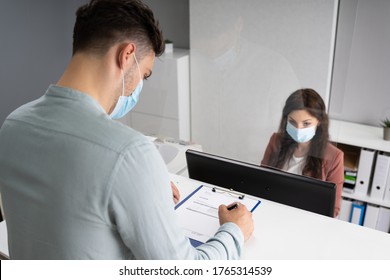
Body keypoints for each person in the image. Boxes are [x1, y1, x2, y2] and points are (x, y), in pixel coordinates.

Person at [0, 0, 253, 259]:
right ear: (127, 55)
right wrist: (234, 231)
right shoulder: (129, 153)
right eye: (144, 75)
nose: (137, 89)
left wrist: (140, 187)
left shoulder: (13, 125)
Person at [261, 88, 344, 217]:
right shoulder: (276, 140)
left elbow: (333, 209)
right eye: (292, 122)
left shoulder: (334, 157)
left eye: (306, 124)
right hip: (273, 211)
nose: (298, 129)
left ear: (319, 121)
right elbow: (261, 181)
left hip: (305, 220)